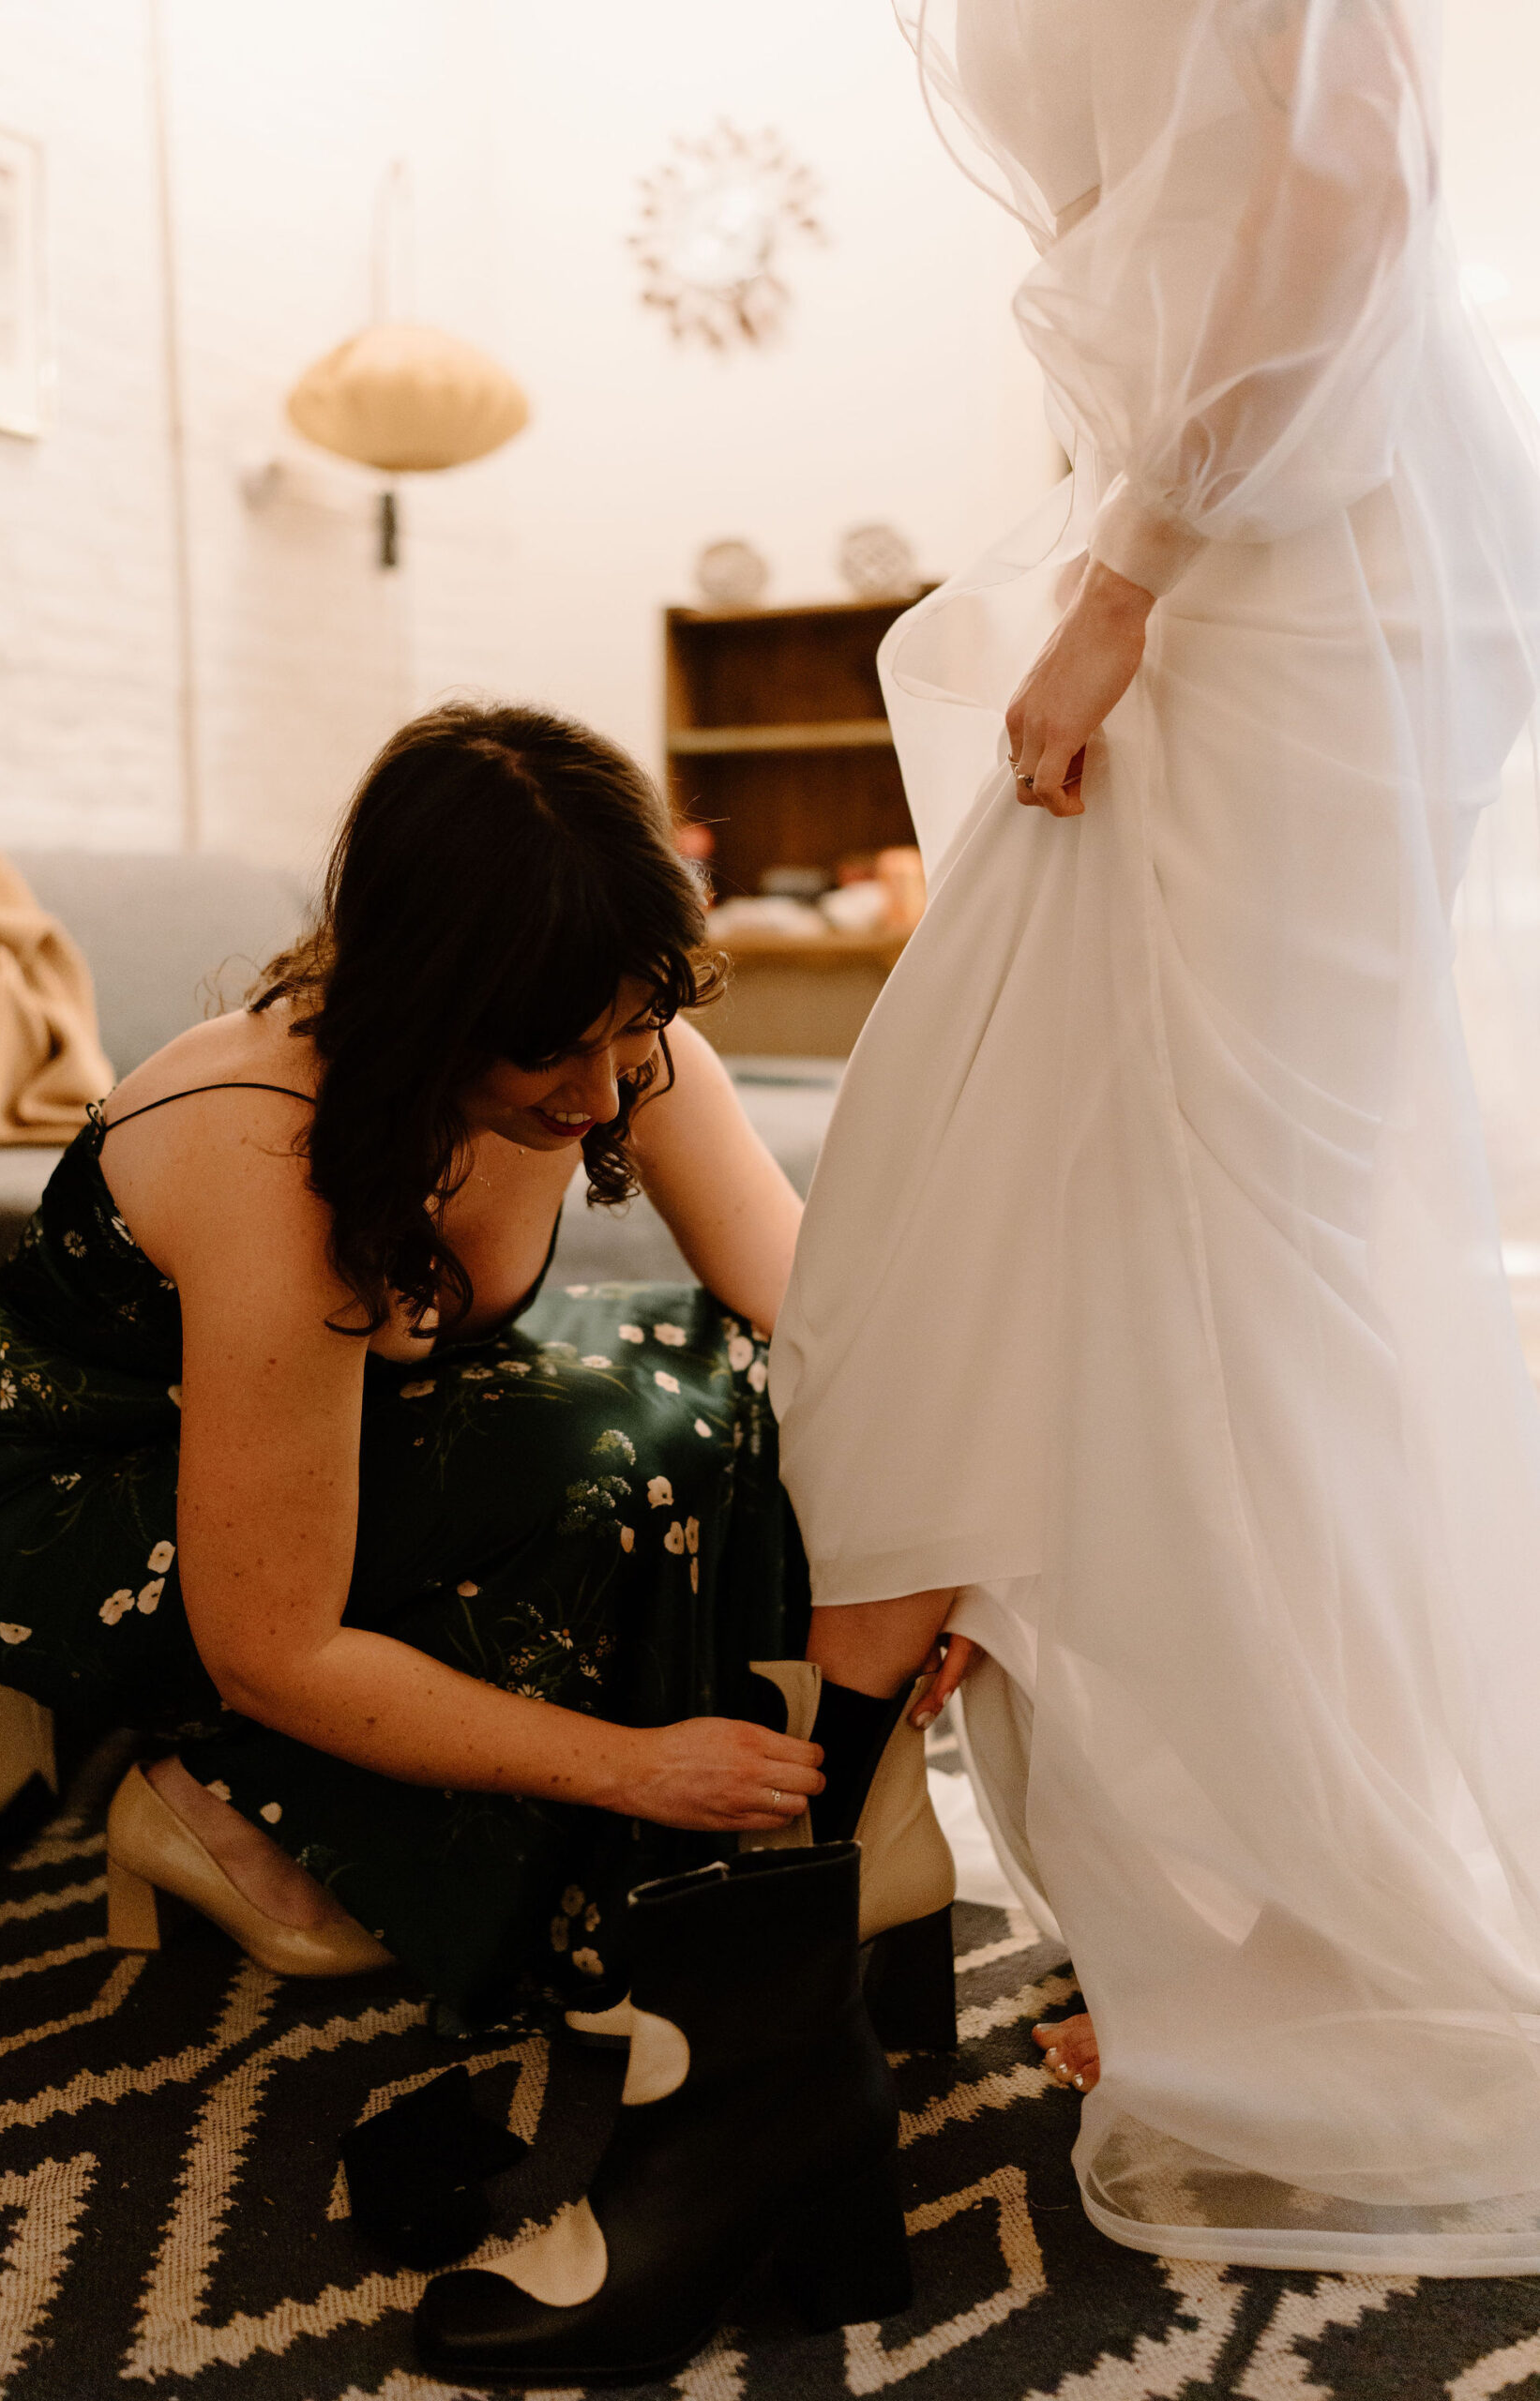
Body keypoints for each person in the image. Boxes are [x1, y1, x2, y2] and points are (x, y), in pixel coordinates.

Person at [771, 0, 1540, 2273]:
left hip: (1274, 567)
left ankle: (1343, 1958)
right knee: (1075, 1230)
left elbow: (1333, 192)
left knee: (1184, 1263)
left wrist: (1123, 582)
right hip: (1254, 539)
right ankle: (1242, 1941)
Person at [0, 701, 834, 2023]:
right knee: (596, 1451)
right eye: (548, 1054)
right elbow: (274, 1646)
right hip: (79, 1505)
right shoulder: (267, 1150)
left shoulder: (618, 1042)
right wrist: (634, 1770)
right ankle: (222, 1807)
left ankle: (719, 1810)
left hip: (335, 1441)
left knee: (738, 1386)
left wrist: (933, 1563)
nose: (600, 1097)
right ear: (430, 1004)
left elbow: (813, 1314)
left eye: (633, 1028)